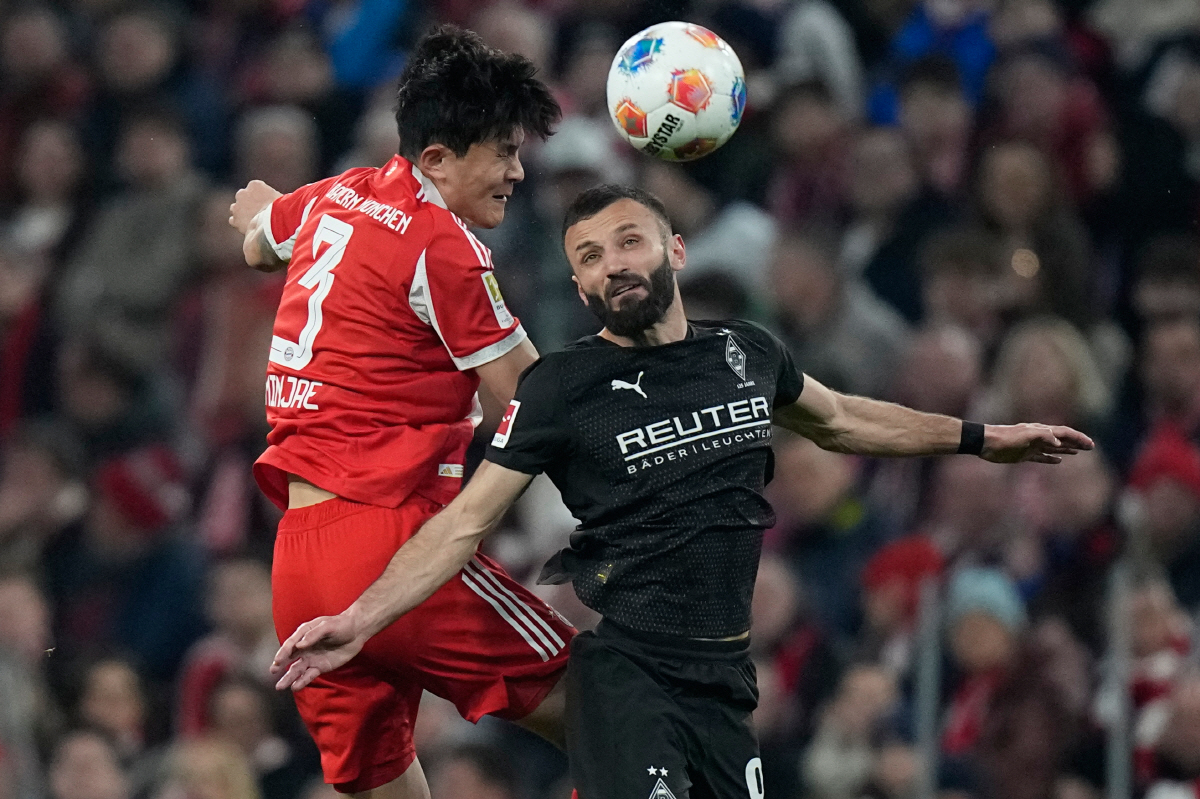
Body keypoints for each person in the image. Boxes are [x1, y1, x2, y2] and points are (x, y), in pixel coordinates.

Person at [270, 185, 1093, 799]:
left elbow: (842, 420)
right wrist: (363, 615)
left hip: (724, 680)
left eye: (628, 242)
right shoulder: (563, 387)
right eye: (589, 257)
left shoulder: (746, 350)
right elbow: (464, 523)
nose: (612, 264)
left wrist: (987, 438)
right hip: (628, 673)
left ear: (677, 250)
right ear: (580, 286)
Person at [226, 25, 571, 799]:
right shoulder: (443, 245)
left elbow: (257, 239)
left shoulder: (338, 196)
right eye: (503, 153)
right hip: (390, 544)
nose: (517, 172)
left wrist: (270, 215)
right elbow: (527, 398)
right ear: (439, 159)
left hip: (300, 568)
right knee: (612, 708)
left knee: (383, 788)